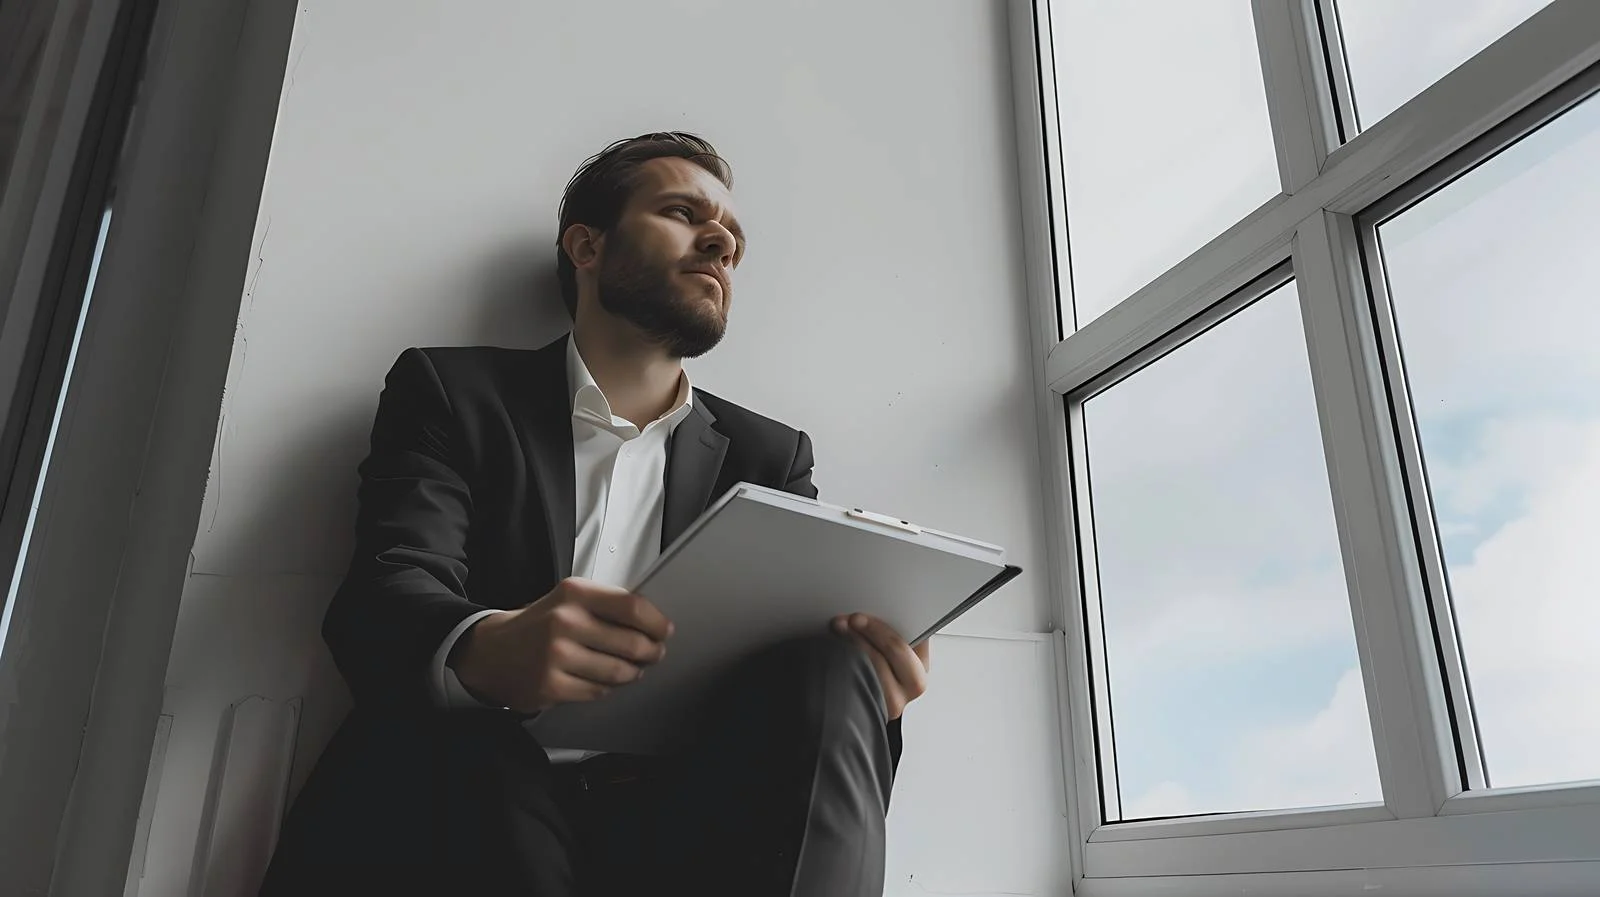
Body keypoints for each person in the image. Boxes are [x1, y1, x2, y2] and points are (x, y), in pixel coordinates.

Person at [258, 132, 931, 897]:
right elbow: (385, 591)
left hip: (685, 825)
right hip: (475, 798)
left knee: (838, 668)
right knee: (482, 752)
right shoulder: (451, 391)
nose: (721, 241)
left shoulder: (771, 456)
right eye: (684, 212)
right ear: (586, 244)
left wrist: (872, 694)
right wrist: (491, 646)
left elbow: (785, 691)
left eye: (734, 240)